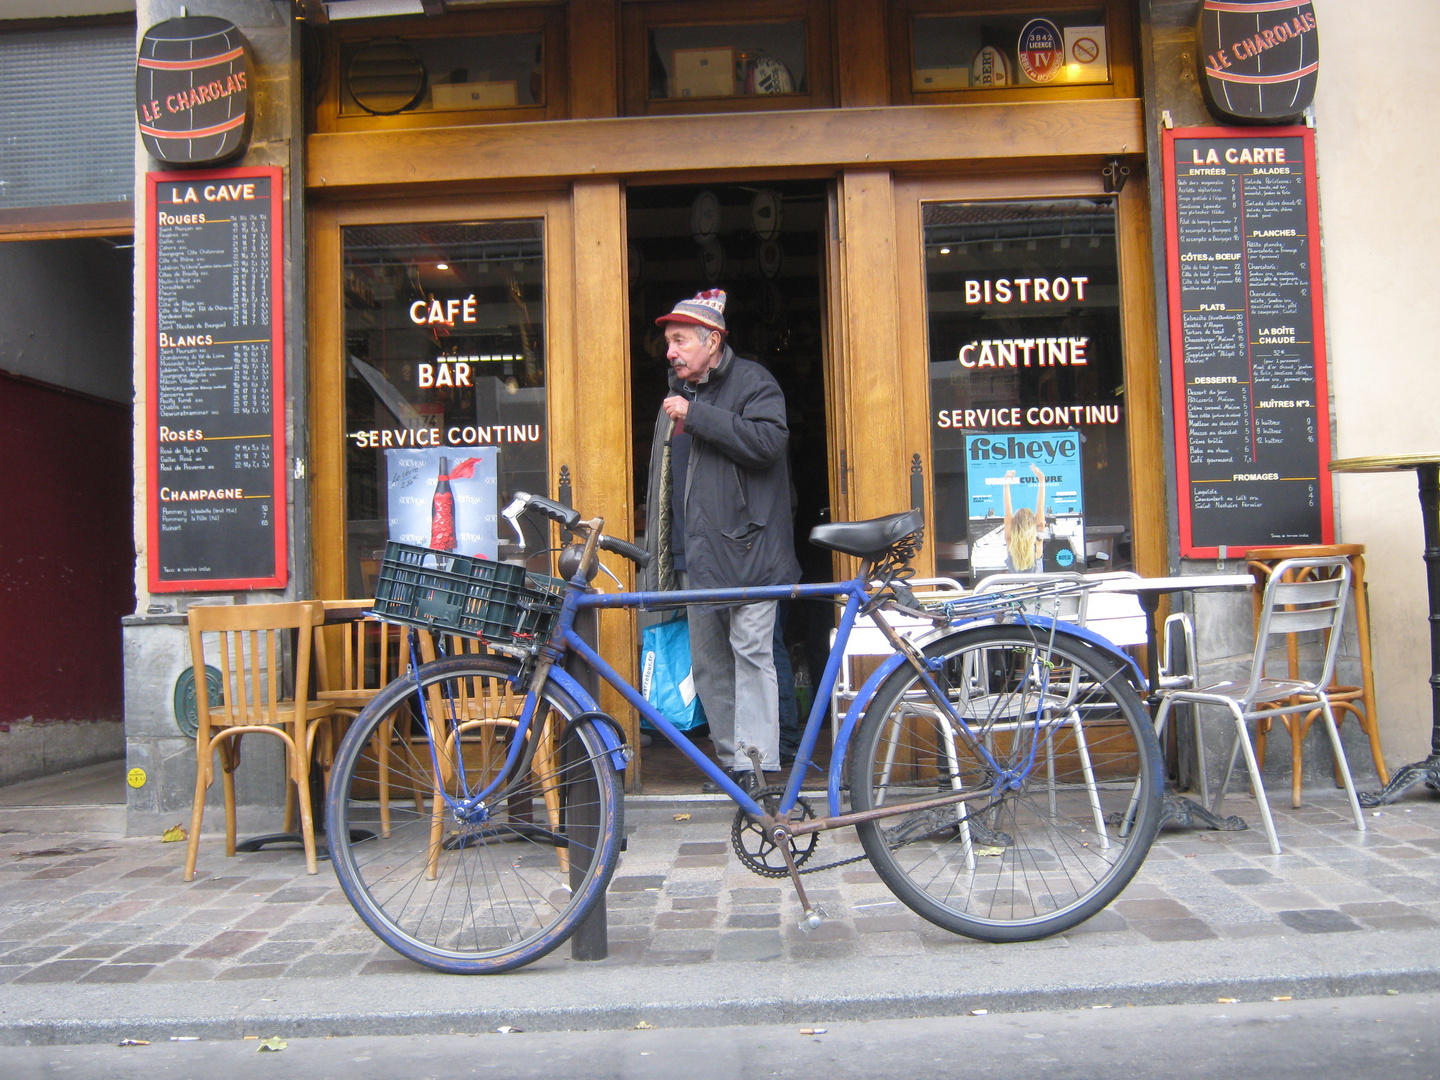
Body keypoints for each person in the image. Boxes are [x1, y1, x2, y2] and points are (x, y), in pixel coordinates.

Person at [641, 289, 800, 791]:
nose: (671, 350)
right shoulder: (679, 395)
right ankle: (736, 768)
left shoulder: (754, 381)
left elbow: (769, 442)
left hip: (750, 552)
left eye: (680, 340)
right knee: (710, 665)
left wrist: (698, 418)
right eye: (669, 341)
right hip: (697, 554)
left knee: (751, 658)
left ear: (713, 340)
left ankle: (759, 768)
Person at [1002, 464, 1046, 573]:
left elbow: (1008, 510)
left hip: (1016, 589)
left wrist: (1006, 484)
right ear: (1032, 525)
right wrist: (1041, 480)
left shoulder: (1010, 541)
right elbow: (1040, 507)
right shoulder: (1037, 542)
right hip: (1037, 589)